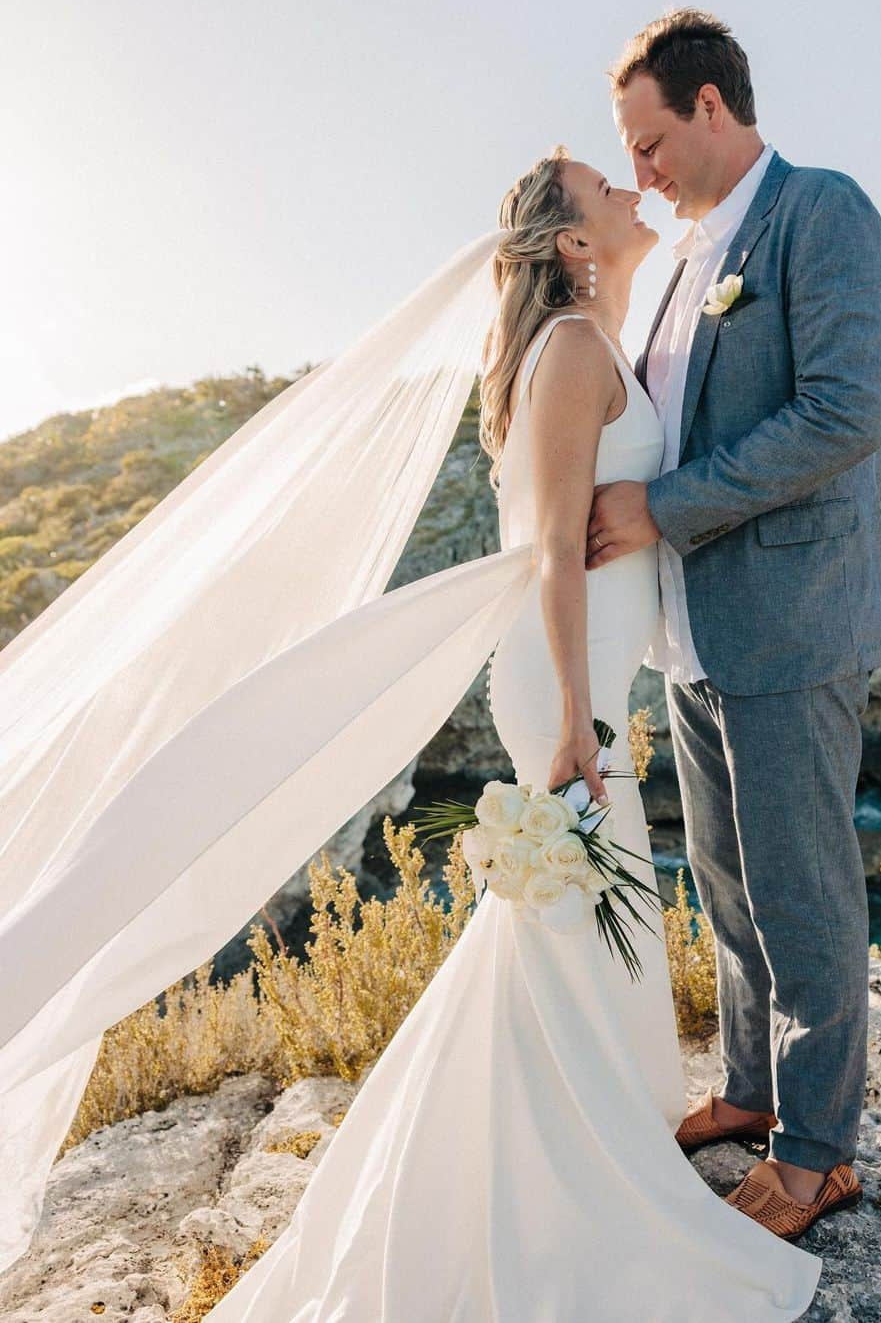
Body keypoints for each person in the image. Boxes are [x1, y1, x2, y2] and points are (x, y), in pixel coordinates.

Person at [0, 144, 821, 1317]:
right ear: (576, 245)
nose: (633, 189)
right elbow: (551, 546)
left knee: (569, 931)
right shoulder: (577, 349)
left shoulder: (593, 345)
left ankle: (579, 1154)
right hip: (564, 686)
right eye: (606, 187)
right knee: (563, 925)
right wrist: (580, 726)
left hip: (582, 679)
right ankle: (538, 1194)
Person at [587, 9, 881, 1238]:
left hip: (791, 616)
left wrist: (660, 507)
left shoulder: (821, 214)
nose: (642, 171)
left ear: (712, 107)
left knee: (804, 889)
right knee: (726, 883)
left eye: (651, 139)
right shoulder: (674, 263)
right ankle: (751, 1088)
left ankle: (821, 1149)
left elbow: (844, 413)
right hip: (691, 630)